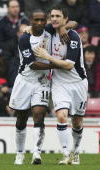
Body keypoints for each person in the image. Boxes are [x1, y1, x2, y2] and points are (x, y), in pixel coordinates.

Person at [34, 4, 88, 165]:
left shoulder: (73, 37)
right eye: (53, 16)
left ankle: (76, 152)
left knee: (77, 121)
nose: (54, 19)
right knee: (61, 116)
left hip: (77, 82)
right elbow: (34, 26)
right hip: (58, 82)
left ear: (65, 19)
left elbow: (69, 65)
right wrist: (28, 29)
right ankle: (66, 155)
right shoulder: (49, 31)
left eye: (58, 16)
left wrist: (47, 56)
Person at [9, 9, 53, 165]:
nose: (40, 23)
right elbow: (33, 64)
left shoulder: (50, 31)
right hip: (25, 81)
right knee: (21, 119)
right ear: (31, 21)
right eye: (37, 20)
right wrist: (58, 65)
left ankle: (36, 153)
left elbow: (71, 24)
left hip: (42, 82)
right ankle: (19, 153)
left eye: (43, 20)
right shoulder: (24, 38)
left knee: (39, 114)